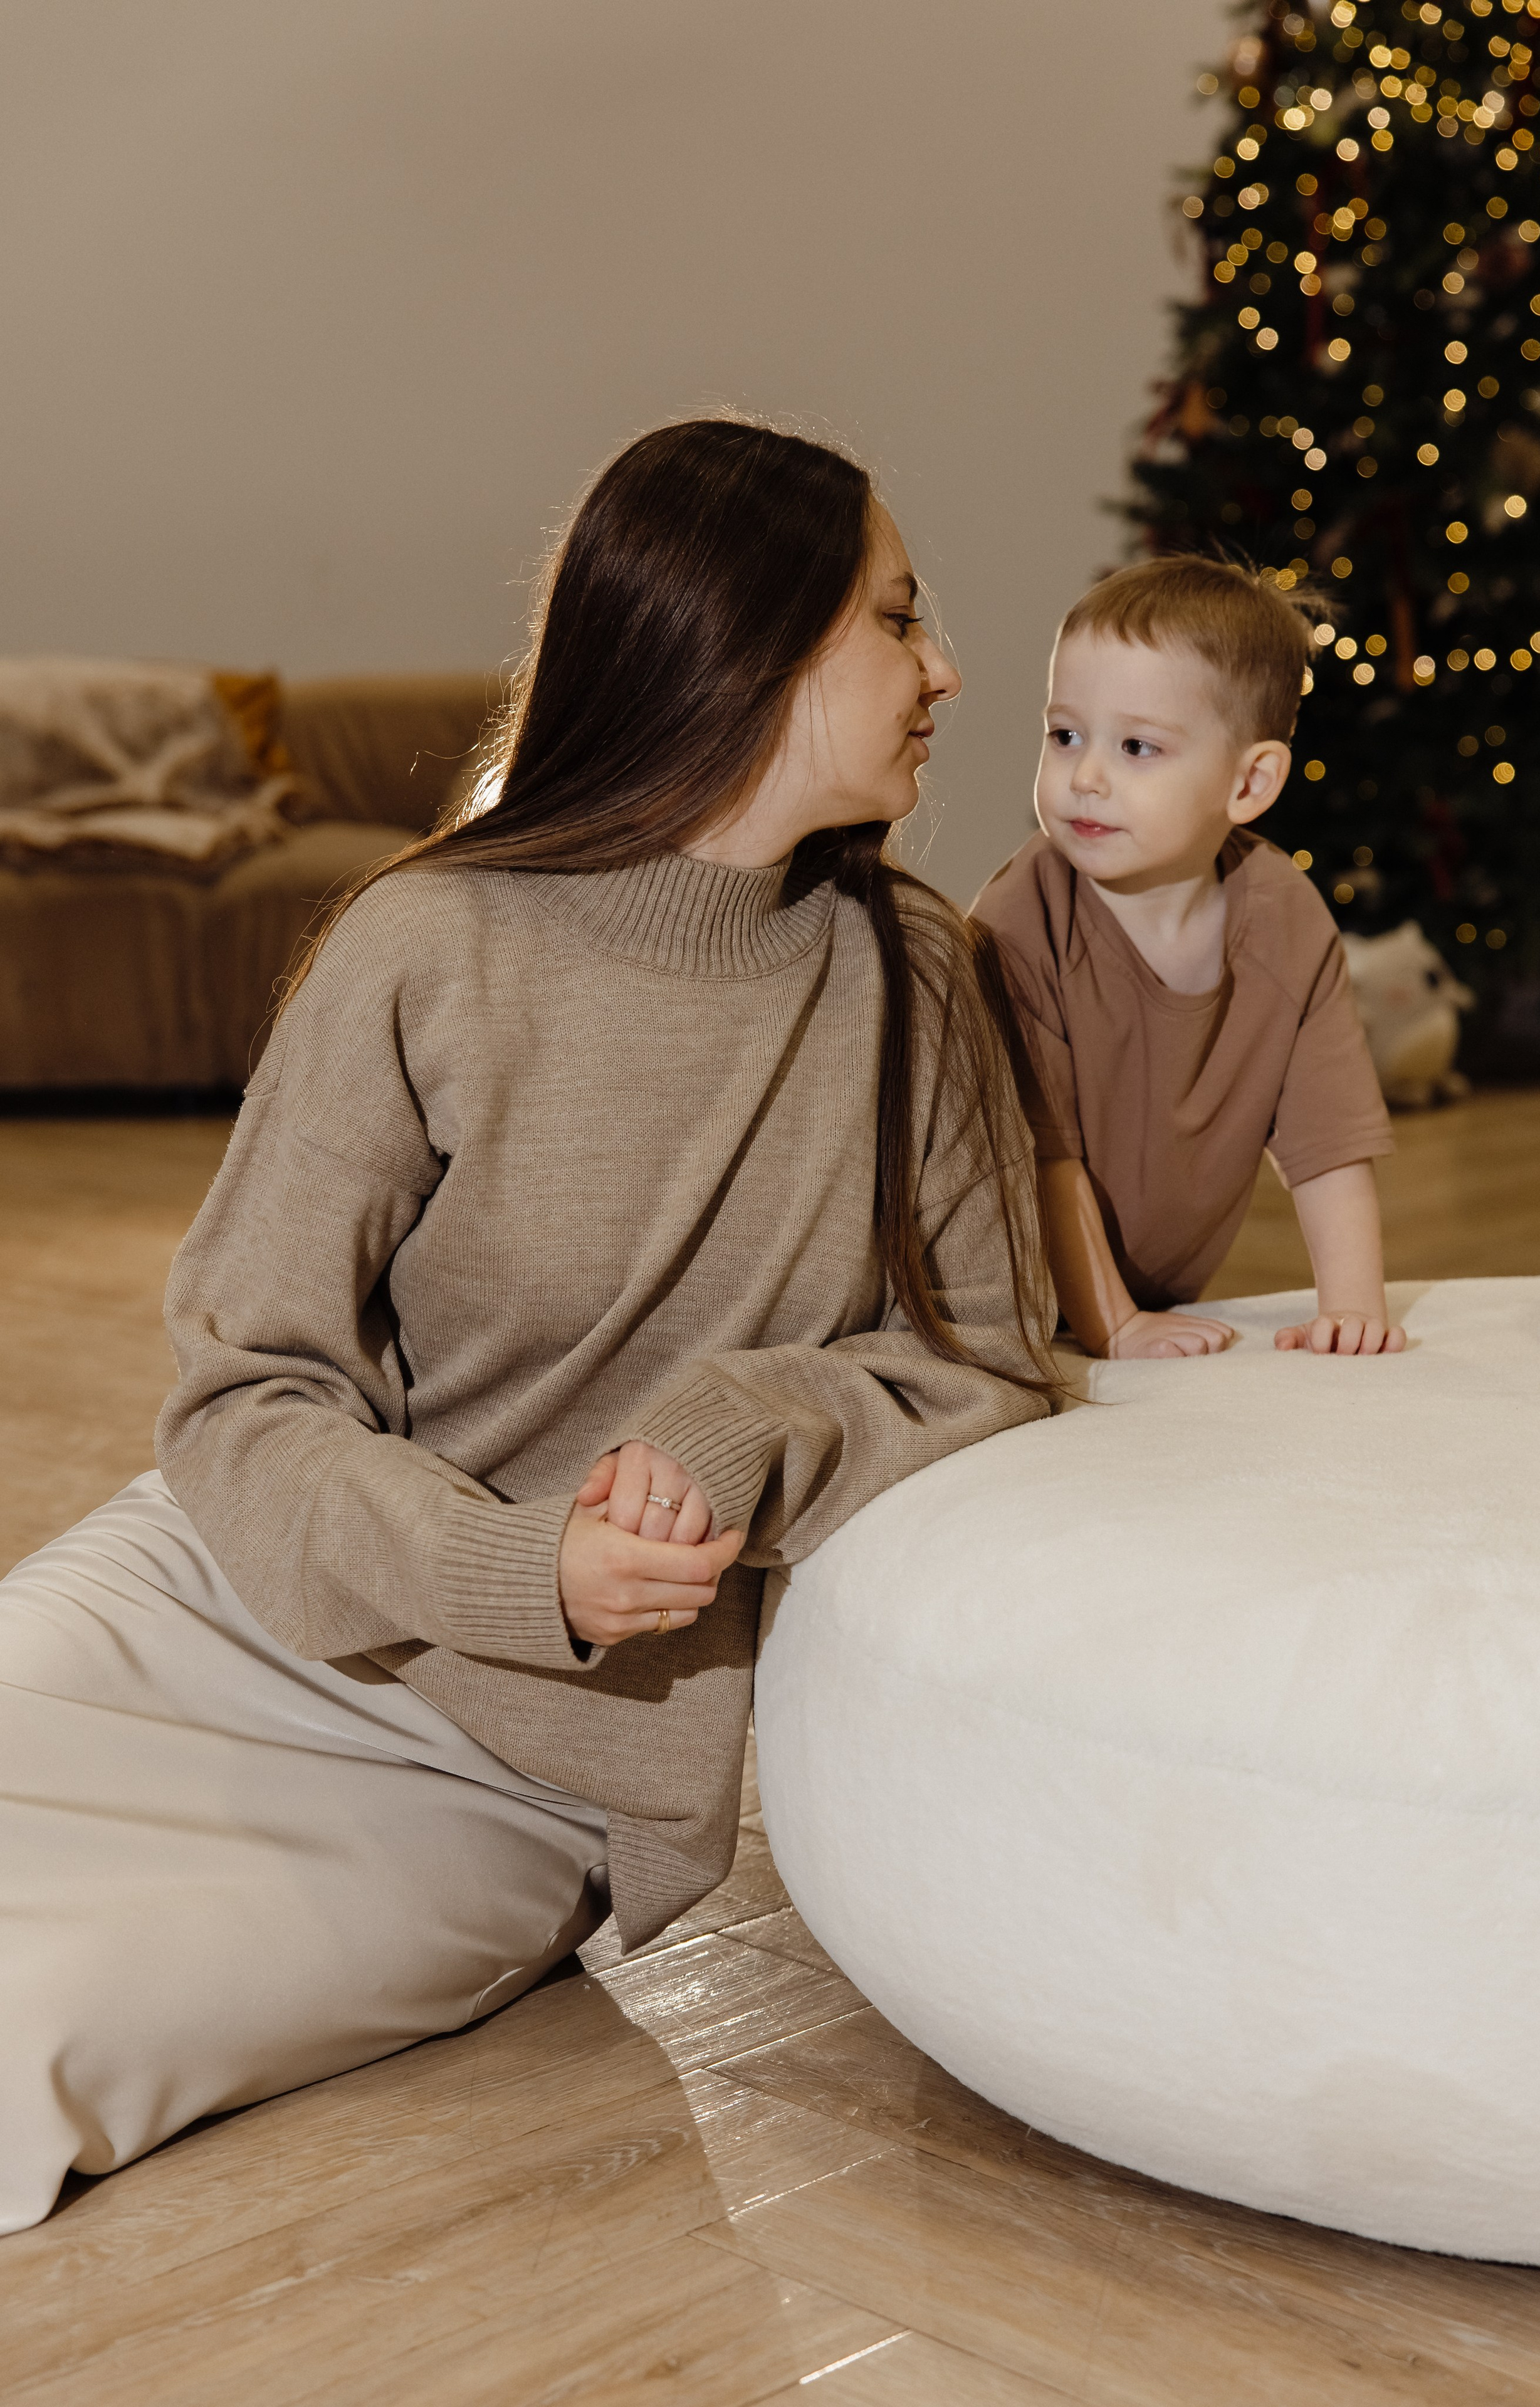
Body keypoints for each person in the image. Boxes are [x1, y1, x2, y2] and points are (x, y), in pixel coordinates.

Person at [0, 419, 1055, 2235]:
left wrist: (749, 1422)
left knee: (39, 2030)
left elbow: (987, 1365)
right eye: (898, 620)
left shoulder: (911, 976)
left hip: (523, 1778)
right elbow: (247, 1392)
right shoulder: (425, 945)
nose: (946, 668)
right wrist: (511, 1569)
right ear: (749, 646)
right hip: (231, 1604)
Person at [972, 554, 1401, 1363]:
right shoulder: (1021, 923)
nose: (1085, 776)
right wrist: (1115, 1325)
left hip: (1152, 1291)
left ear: (1250, 783)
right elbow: (1042, 1158)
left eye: (1137, 746)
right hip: (990, 1296)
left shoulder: (1286, 923)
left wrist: (1352, 1309)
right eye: (1065, 735)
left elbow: (1330, 1142)